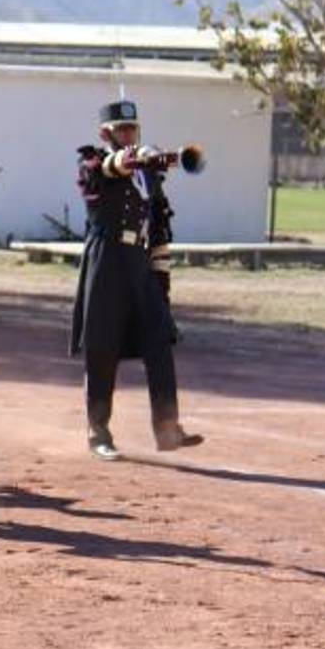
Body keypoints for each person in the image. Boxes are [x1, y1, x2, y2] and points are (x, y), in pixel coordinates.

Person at [71, 100, 203, 459]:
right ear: (106, 133)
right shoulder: (92, 163)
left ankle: (167, 428)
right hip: (107, 261)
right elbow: (111, 169)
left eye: (133, 129)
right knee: (102, 348)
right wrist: (138, 158)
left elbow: (158, 229)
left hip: (139, 262)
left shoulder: (150, 179)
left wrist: (161, 283)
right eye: (121, 129)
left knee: (160, 341)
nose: (129, 134)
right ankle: (98, 432)